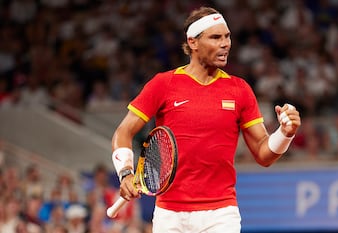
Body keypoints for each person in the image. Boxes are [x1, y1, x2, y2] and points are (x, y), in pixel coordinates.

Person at [110, 6, 301, 233]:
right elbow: (123, 133)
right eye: (215, 37)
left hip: (221, 215)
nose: (225, 44)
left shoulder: (240, 90)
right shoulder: (163, 84)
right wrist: (125, 173)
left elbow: (263, 154)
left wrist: (285, 134)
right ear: (193, 42)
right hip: (169, 214)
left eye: (227, 37)